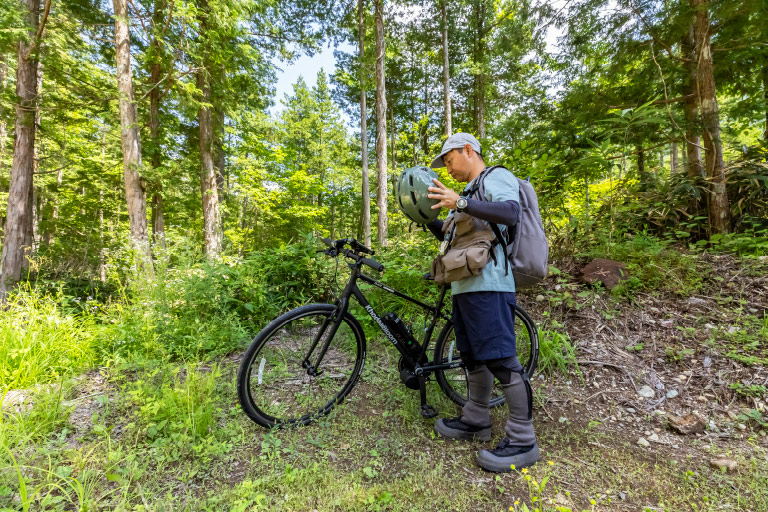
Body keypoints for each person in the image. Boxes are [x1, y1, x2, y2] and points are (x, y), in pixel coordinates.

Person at [426, 132, 539, 472]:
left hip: (491, 286)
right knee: (472, 358)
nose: (448, 170)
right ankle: (476, 420)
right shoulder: (469, 193)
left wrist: (460, 203)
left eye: (450, 161)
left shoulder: (495, 177)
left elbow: (510, 213)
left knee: (501, 360)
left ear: (468, 150)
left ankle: (523, 441)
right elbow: (451, 235)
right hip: (465, 287)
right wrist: (425, 216)